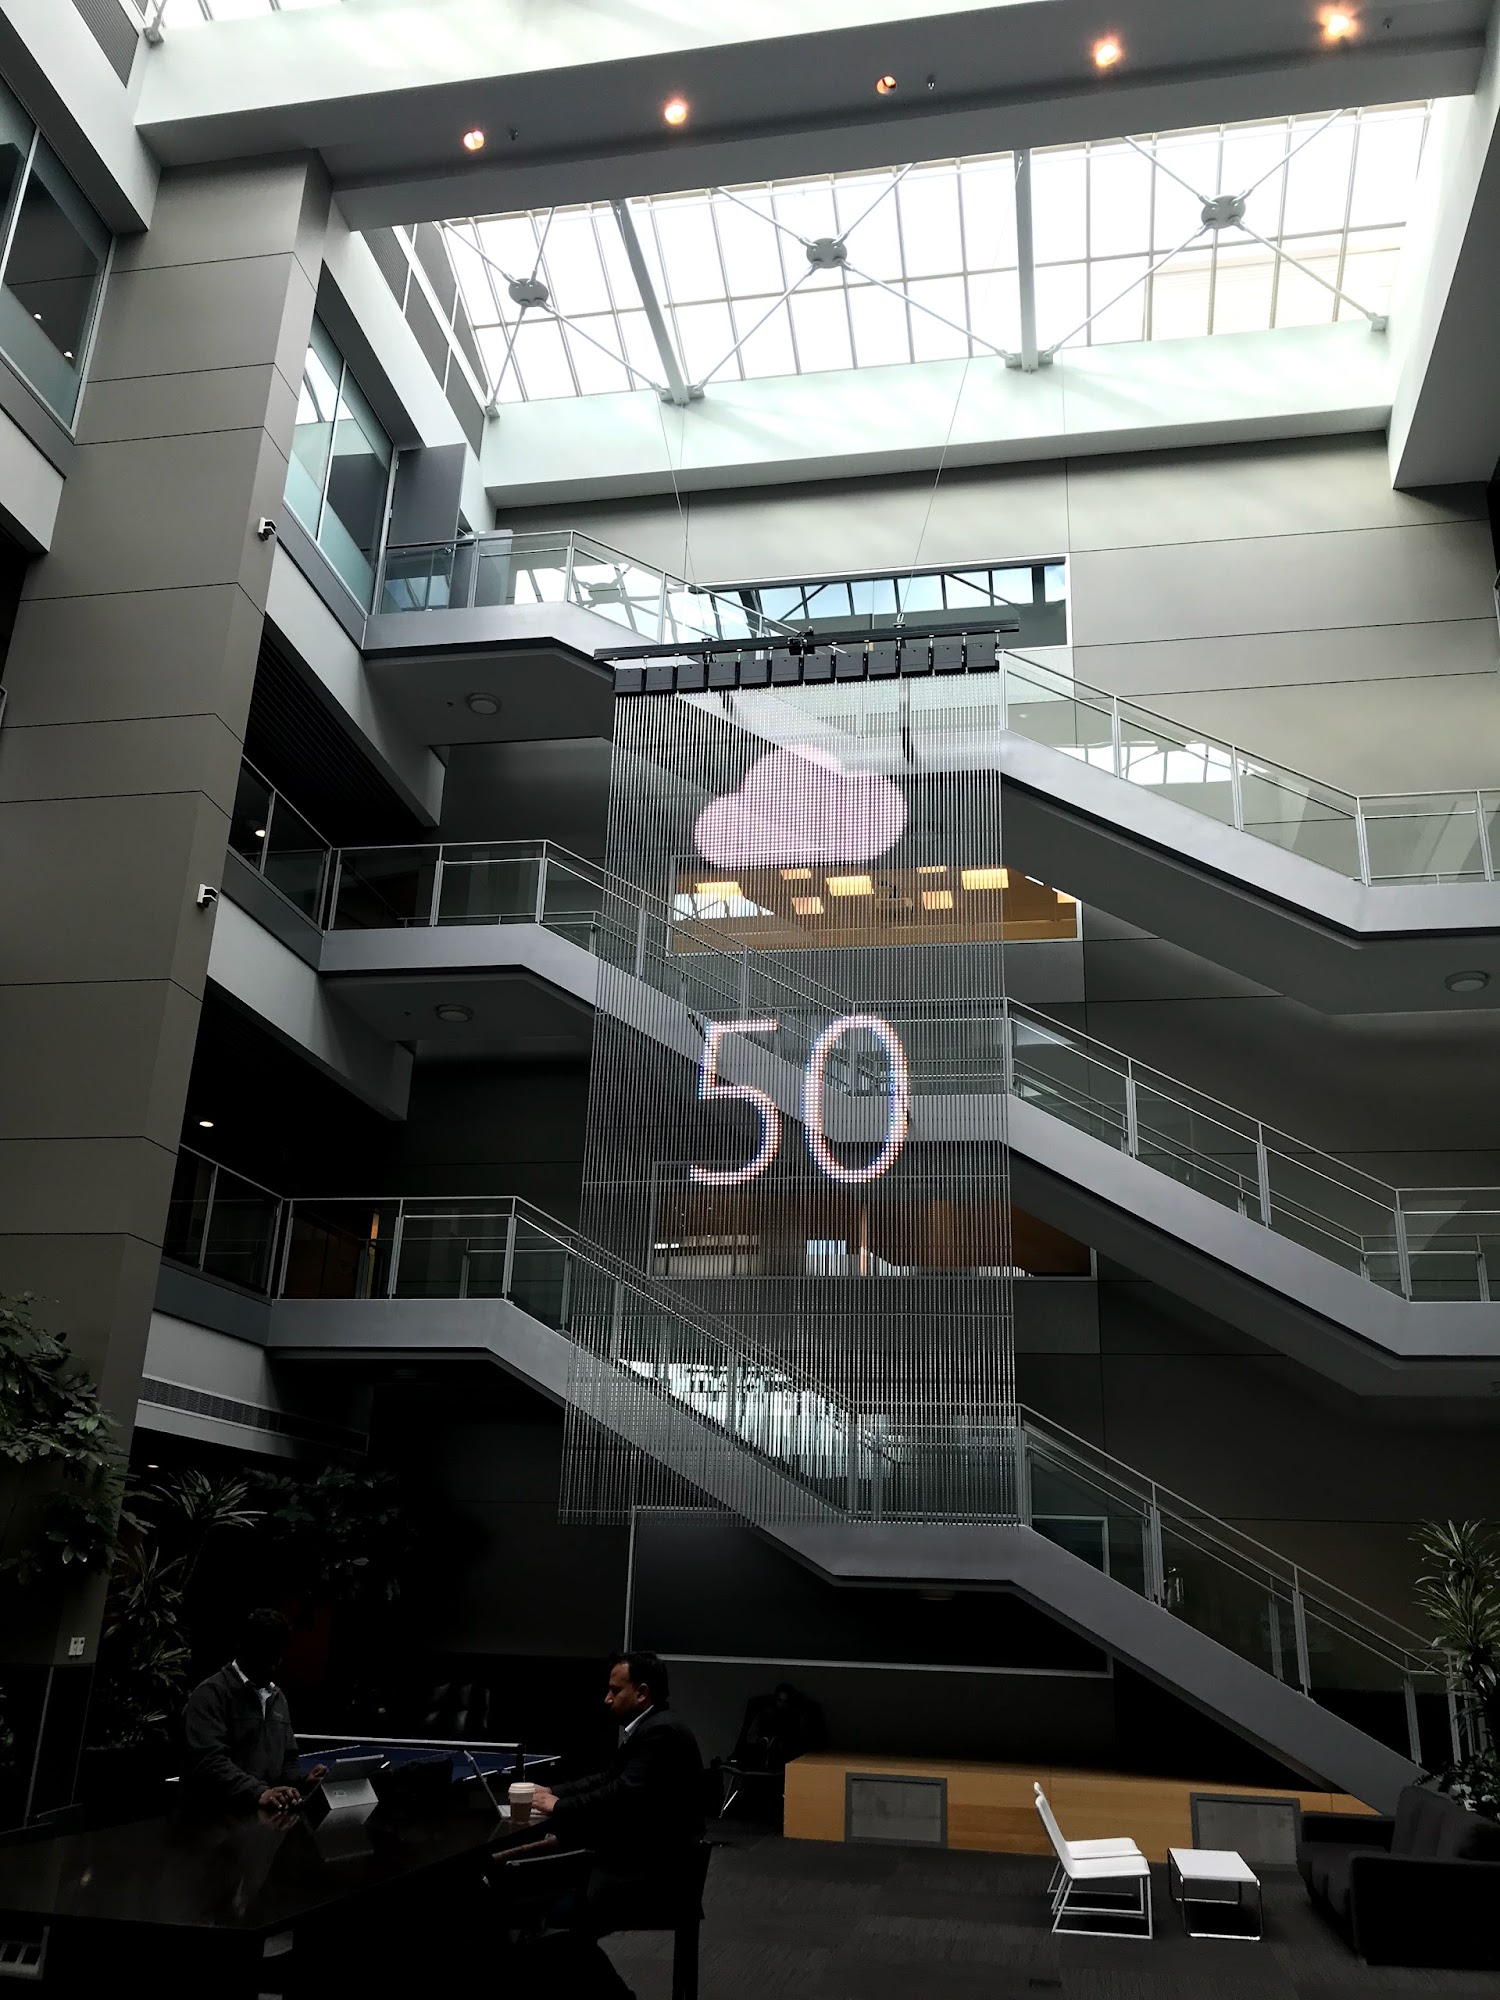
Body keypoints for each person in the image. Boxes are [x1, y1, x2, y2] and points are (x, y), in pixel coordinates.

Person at [496, 1652, 703, 1995]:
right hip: (649, 1862)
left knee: (547, 1924)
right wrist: (553, 1792)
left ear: (642, 1692)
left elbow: (622, 1794)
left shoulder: (661, 1732)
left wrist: (559, 1806)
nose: (607, 1698)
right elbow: (608, 1779)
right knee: (543, 1916)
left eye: (615, 1690)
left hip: (651, 1876)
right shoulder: (654, 1726)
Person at [182, 1607, 326, 1812]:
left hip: (263, 1819)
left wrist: (302, 1783)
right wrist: (258, 1792)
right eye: (267, 1654)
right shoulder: (210, 1694)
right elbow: (209, 1761)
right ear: (246, 1649)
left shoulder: (277, 1698)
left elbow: (288, 1759)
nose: (275, 1664)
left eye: (278, 1654)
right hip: (212, 1817)